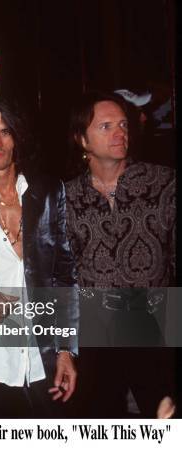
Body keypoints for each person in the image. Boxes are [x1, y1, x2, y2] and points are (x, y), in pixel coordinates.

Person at [0, 93, 78, 418]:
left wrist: (65, 350)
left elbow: (64, 276)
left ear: (18, 138)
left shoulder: (49, 192)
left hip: (43, 357)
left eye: (5, 131)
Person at [66, 90, 176, 418]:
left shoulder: (165, 184)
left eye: (123, 124)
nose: (120, 133)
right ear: (82, 140)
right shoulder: (66, 198)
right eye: (106, 126)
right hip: (95, 337)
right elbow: (61, 273)